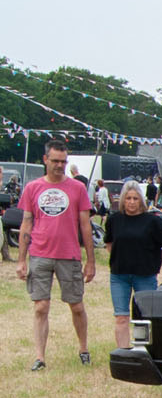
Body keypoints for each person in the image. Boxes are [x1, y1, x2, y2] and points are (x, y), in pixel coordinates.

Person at [16, 140, 96, 370]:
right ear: (45, 160)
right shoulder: (33, 188)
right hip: (40, 254)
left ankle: (83, 348)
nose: (60, 165)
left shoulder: (77, 188)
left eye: (63, 161)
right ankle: (40, 357)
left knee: (77, 305)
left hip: (69, 255)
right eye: (55, 161)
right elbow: (26, 223)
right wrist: (21, 260)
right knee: (41, 306)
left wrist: (90, 261)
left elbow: (85, 225)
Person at [103, 181, 162, 349]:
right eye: (128, 198)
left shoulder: (152, 221)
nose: (132, 202)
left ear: (141, 200)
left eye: (135, 198)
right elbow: (109, 244)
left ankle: (144, 351)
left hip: (145, 276)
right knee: (121, 317)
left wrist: (154, 262)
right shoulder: (114, 220)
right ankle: (123, 352)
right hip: (119, 276)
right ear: (122, 200)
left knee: (144, 318)